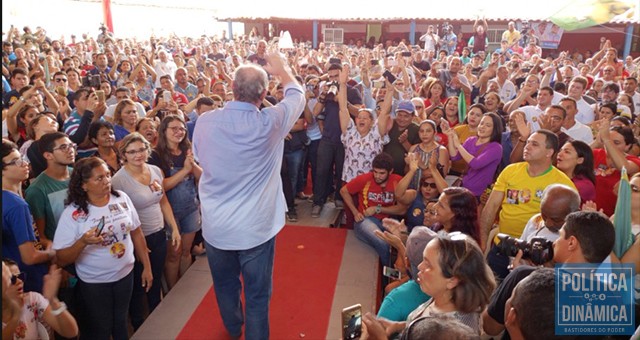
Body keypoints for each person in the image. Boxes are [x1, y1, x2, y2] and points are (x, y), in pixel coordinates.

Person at [192, 53, 305, 339]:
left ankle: (232, 328)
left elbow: (200, 159)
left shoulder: (205, 122)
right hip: (255, 230)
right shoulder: (271, 122)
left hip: (217, 227)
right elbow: (297, 94)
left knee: (225, 285)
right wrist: (283, 69)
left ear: (232, 88)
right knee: (257, 296)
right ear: (265, 93)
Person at [52, 157, 152, 340]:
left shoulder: (121, 198)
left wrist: (146, 266)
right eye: (99, 178)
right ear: (83, 185)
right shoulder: (73, 214)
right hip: (95, 282)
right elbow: (61, 258)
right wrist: (83, 242)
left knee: (121, 321)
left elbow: (136, 233)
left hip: (125, 274)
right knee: (102, 327)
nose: (107, 181)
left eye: (108, 175)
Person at [483, 211, 615, 339]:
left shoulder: (523, 278)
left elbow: (490, 327)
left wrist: (515, 284)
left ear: (571, 243)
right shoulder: (613, 300)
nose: (554, 242)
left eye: (560, 235)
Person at [481, 130, 576, 279]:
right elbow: (491, 207)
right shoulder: (510, 171)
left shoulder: (563, 185)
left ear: (549, 152)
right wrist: (483, 238)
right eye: (528, 142)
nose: (527, 147)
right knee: (493, 293)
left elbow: (568, 226)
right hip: (503, 245)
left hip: (534, 256)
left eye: (535, 144)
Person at [111, 133, 180, 330]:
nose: (138, 155)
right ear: (123, 155)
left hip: (158, 233)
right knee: (140, 284)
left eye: (141, 149)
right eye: (131, 152)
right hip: (136, 240)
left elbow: (163, 200)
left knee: (155, 278)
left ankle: (158, 318)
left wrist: (173, 228)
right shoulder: (119, 181)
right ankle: (140, 323)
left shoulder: (155, 170)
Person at [365, 232, 496, 336]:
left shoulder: (456, 332)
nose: (420, 267)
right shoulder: (443, 297)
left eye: (428, 265)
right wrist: (399, 326)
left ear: (452, 280)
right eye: (423, 260)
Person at [149, 115, 202, 289]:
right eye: (174, 128)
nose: (179, 132)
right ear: (164, 131)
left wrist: (191, 165)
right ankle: (173, 289)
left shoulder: (187, 149)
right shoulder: (155, 156)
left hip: (191, 208)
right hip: (169, 210)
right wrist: (184, 171)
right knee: (173, 254)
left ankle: (184, 286)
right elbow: (162, 187)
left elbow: (201, 177)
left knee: (186, 251)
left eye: (182, 129)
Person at [2, 140, 53, 293]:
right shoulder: (16, 205)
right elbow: (29, 257)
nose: (24, 164)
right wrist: (53, 253)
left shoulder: (13, 197)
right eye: (16, 162)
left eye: (22, 158)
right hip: (29, 279)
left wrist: (41, 241)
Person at [340, 152, 407, 265]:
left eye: (382, 173)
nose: (377, 176)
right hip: (366, 220)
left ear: (390, 172)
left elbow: (402, 209)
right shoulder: (365, 179)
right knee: (382, 242)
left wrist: (378, 209)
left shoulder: (397, 181)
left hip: (388, 220)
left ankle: (403, 272)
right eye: (375, 172)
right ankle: (387, 274)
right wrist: (355, 212)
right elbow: (343, 191)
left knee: (404, 239)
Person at [2, 259, 79, 339]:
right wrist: (16, 312)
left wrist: (53, 300)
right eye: (12, 279)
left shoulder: (33, 299)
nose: (19, 281)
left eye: (21, 276)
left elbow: (71, 332)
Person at [25, 132, 76, 247]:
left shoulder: (78, 175)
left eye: (71, 146)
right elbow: (40, 236)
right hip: (62, 249)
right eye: (63, 147)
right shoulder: (37, 190)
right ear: (48, 155)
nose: (70, 150)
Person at [445, 112, 503, 198]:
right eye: (481, 123)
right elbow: (454, 157)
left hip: (479, 194)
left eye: (487, 125)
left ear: (495, 129)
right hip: (464, 188)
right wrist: (450, 136)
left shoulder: (496, 147)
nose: (482, 127)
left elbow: (476, 164)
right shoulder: (471, 140)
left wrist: (458, 145)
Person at [592, 123, 640, 215]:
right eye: (609, 141)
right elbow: (577, 157)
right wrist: (597, 142)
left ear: (628, 146)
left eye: (616, 143)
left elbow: (624, 168)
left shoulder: (634, 161)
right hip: (588, 210)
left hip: (615, 215)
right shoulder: (596, 153)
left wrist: (607, 139)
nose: (610, 145)